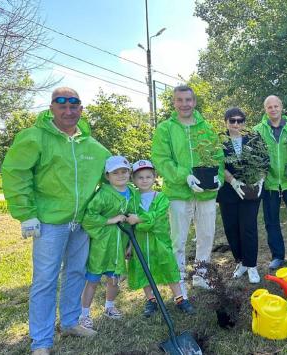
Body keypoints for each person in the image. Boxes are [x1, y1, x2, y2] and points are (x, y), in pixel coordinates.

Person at [2, 87, 110, 354]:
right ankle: (41, 341)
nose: (68, 110)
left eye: (74, 105)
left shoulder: (93, 147)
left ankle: (71, 322)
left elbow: (114, 177)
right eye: (61, 104)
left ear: (81, 110)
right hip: (49, 223)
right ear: (51, 108)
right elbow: (16, 174)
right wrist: (26, 214)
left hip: (80, 223)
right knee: (45, 280)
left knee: (75, 273)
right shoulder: (35, 138)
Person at [151, 85, 224, 291]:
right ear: (174, 102)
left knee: (206, 235)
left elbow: (217, 156)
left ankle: (201, 275)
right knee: (178, 238)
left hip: (206, 193)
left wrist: (218, 178)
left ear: (194, 102)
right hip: (178, 192)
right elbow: (161, 159)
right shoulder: (165, 128)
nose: (184, 104)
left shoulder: (206, 128)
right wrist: (185, 176)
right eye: (180, 100)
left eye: (188, 100)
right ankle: (179, 279)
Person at [79, 156, 140, 330]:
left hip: (122, 241)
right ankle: (84, 314)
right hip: (103, 243)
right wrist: (110, 220)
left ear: (129, 173)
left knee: (114, 278)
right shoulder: (103, 194)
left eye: (124, 171)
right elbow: (89, 216)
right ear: (107, 175)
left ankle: (109, 306)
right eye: (115, 172)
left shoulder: (132, 193)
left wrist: (130, 245)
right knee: (93, 279)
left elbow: (133, 217)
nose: (120, 175)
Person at [128, 160, 194, 316]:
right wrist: (130, 245)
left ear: (155, 177)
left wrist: (138, 220)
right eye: (140, 177)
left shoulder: (162, 198)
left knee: (169, 268)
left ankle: (180, 298)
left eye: (148, 176)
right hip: (140, 242)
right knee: (144, 269)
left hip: (160, 242)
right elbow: (130, 225)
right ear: (133, 180)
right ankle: (151, 300)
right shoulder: (132, 199)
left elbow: (156, 220)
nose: (144, 180)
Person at [255, 95, 287, 269]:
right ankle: (277, 255)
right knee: (271, 220)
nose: (273, 109)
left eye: (276, 106)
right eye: (269, 107)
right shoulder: (258, 130)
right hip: (270, 182)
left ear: (282, 107)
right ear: (265, 109)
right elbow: (253, 156)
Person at [217, 108, 267, 283]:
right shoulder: (219, 141)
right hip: (228, 191)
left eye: (240, 120)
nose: (236, 124)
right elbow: (217, 163)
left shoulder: (254, 138)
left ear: (245, 122)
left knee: (248, 227)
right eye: (232, 121)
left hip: (251, 189)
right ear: (226, 122)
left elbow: (264, 161)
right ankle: (241, 262)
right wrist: (232, 181)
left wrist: (259, 180)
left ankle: (252, 265)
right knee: (231, 228)